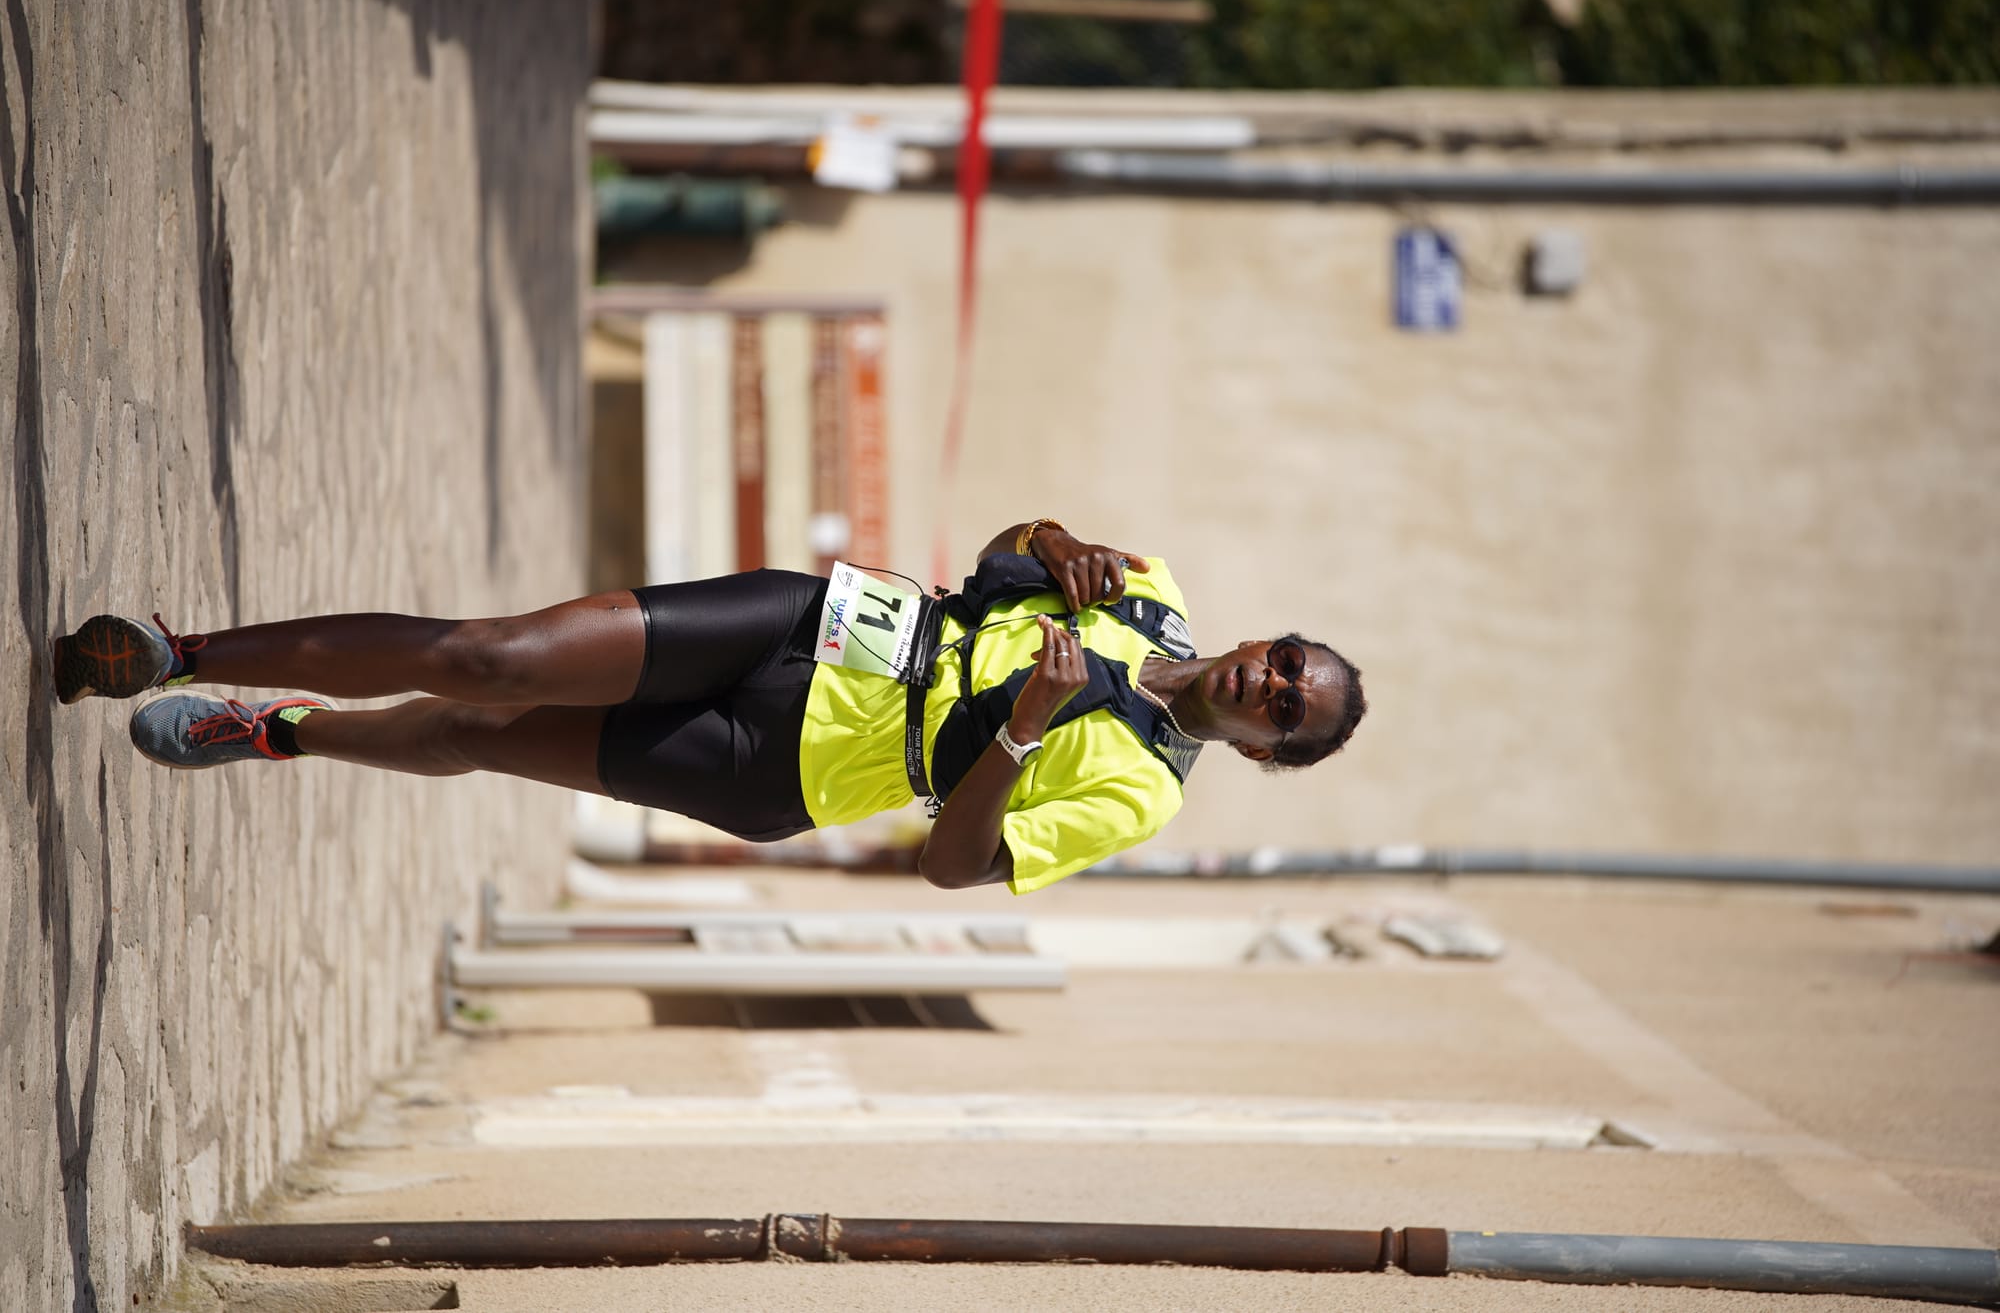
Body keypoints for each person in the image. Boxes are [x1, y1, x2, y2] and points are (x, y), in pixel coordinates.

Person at [52, 520, 1366, 892]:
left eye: (1289, 711)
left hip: (777, 767)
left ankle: (283, 728)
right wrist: (1062, 533)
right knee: (492, 659)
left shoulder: (1139, 787)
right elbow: (1008, 550)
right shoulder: (1148, 593)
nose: (1274, 684)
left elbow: (955, 867)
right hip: (817, 621)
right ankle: (178, 649)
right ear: (1268, 638)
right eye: (1290, 660)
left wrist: (1022, 729)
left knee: (470, 732)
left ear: (1269, 752)